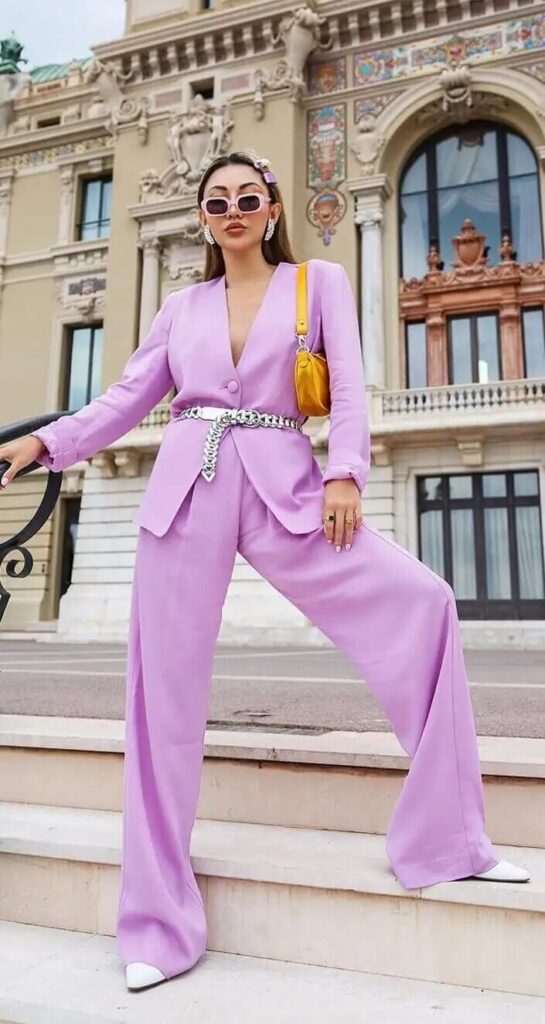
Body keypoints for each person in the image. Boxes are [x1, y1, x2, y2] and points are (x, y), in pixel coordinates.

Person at [0, 148, 530, 993]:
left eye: (248, 198)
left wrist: (345, 472)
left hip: (290, 490)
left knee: (424, 602)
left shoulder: (318, 284)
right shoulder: (180, 307)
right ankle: (157, 925)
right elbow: (127, 398)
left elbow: (346, 385)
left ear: (272, 208)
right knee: (161, 699)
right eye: (218, 202)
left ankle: (448, 843)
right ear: (203, 219)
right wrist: (45, 442)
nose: (234, 211)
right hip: (186, 489)